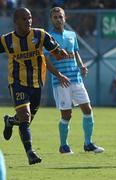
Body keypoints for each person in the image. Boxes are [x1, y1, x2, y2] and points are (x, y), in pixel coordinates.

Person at [1, 8, 69, 165]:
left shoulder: (40, 35)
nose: (28, 21)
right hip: (17, 83)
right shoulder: (7, 40)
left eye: (30, 18)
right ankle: (31, 153)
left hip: (37, 84)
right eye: (24, 19)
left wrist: (60, 53)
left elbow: (56, 52)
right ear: (16, 22)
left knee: (25, 120)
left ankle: (10, 121)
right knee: (25, 116)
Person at [45, 7, 104, 154]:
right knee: (67, 114)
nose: (58, 19)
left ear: (65, 18)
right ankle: (63, 146)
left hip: (76, 78)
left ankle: (88, 143)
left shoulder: (71, 35)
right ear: (51, 19)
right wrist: (58, 75)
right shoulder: (48, 37)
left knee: (87, 109)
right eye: (55, 17)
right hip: (61, 81)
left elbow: (75, 52)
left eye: (60, 17)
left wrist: (81, 65)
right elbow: (46, 60)